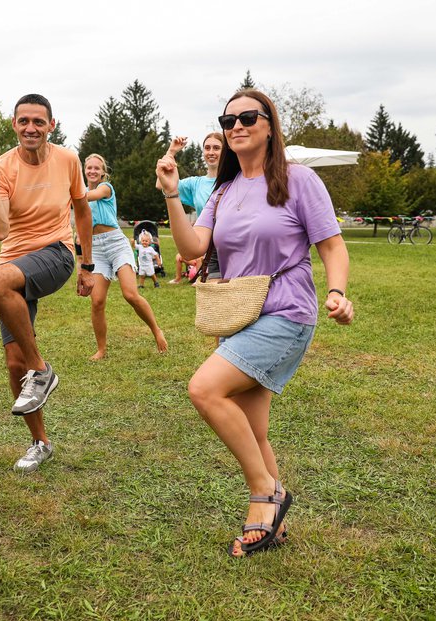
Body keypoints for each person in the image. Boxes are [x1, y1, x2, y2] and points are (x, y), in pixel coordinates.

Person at [156, 88, 354, 557]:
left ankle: (266, 493)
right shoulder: (223, 191)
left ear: (269, 125)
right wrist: (170, 193)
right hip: (239, 311)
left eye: (248, 117)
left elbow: (331, 245)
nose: (237, 127)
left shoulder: (297, 180)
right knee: (254, 428)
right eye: (228, 122)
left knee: (204, 389)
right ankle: (273, 523)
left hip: (286, 311)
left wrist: (338, 292)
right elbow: (191, 250)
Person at [0, 93, 94, 472]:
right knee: (13, 364)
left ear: (51, 125)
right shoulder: (5, 167)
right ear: (14, 125)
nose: (31, 128)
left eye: (38, 121)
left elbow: (81, 209)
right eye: (24, 121)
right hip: (14, 260)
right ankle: (40, 442)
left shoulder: (68, 159)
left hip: (56, 253)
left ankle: (41, 369)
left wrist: (87, 264)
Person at [83, 154, 167, 361]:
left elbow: (86, 196)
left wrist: (64, 191)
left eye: (97, 168)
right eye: (89, 168)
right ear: (84, 170)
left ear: (103, 172)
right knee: (97, 301)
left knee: (130, 294)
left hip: (116, 244)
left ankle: (157, 331)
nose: (93, 171)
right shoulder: (80, 195)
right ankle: (101, 349)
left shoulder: (105, 189)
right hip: (96, 249)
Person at [158, 134, 223, 284]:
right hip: (209, 248)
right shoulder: (195, 184)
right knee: (214, 298)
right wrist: (171, 152)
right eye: (207, 148)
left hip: (233, 245)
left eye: (216, 148)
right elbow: (162, 183)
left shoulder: (234, 179)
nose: (211, 152)